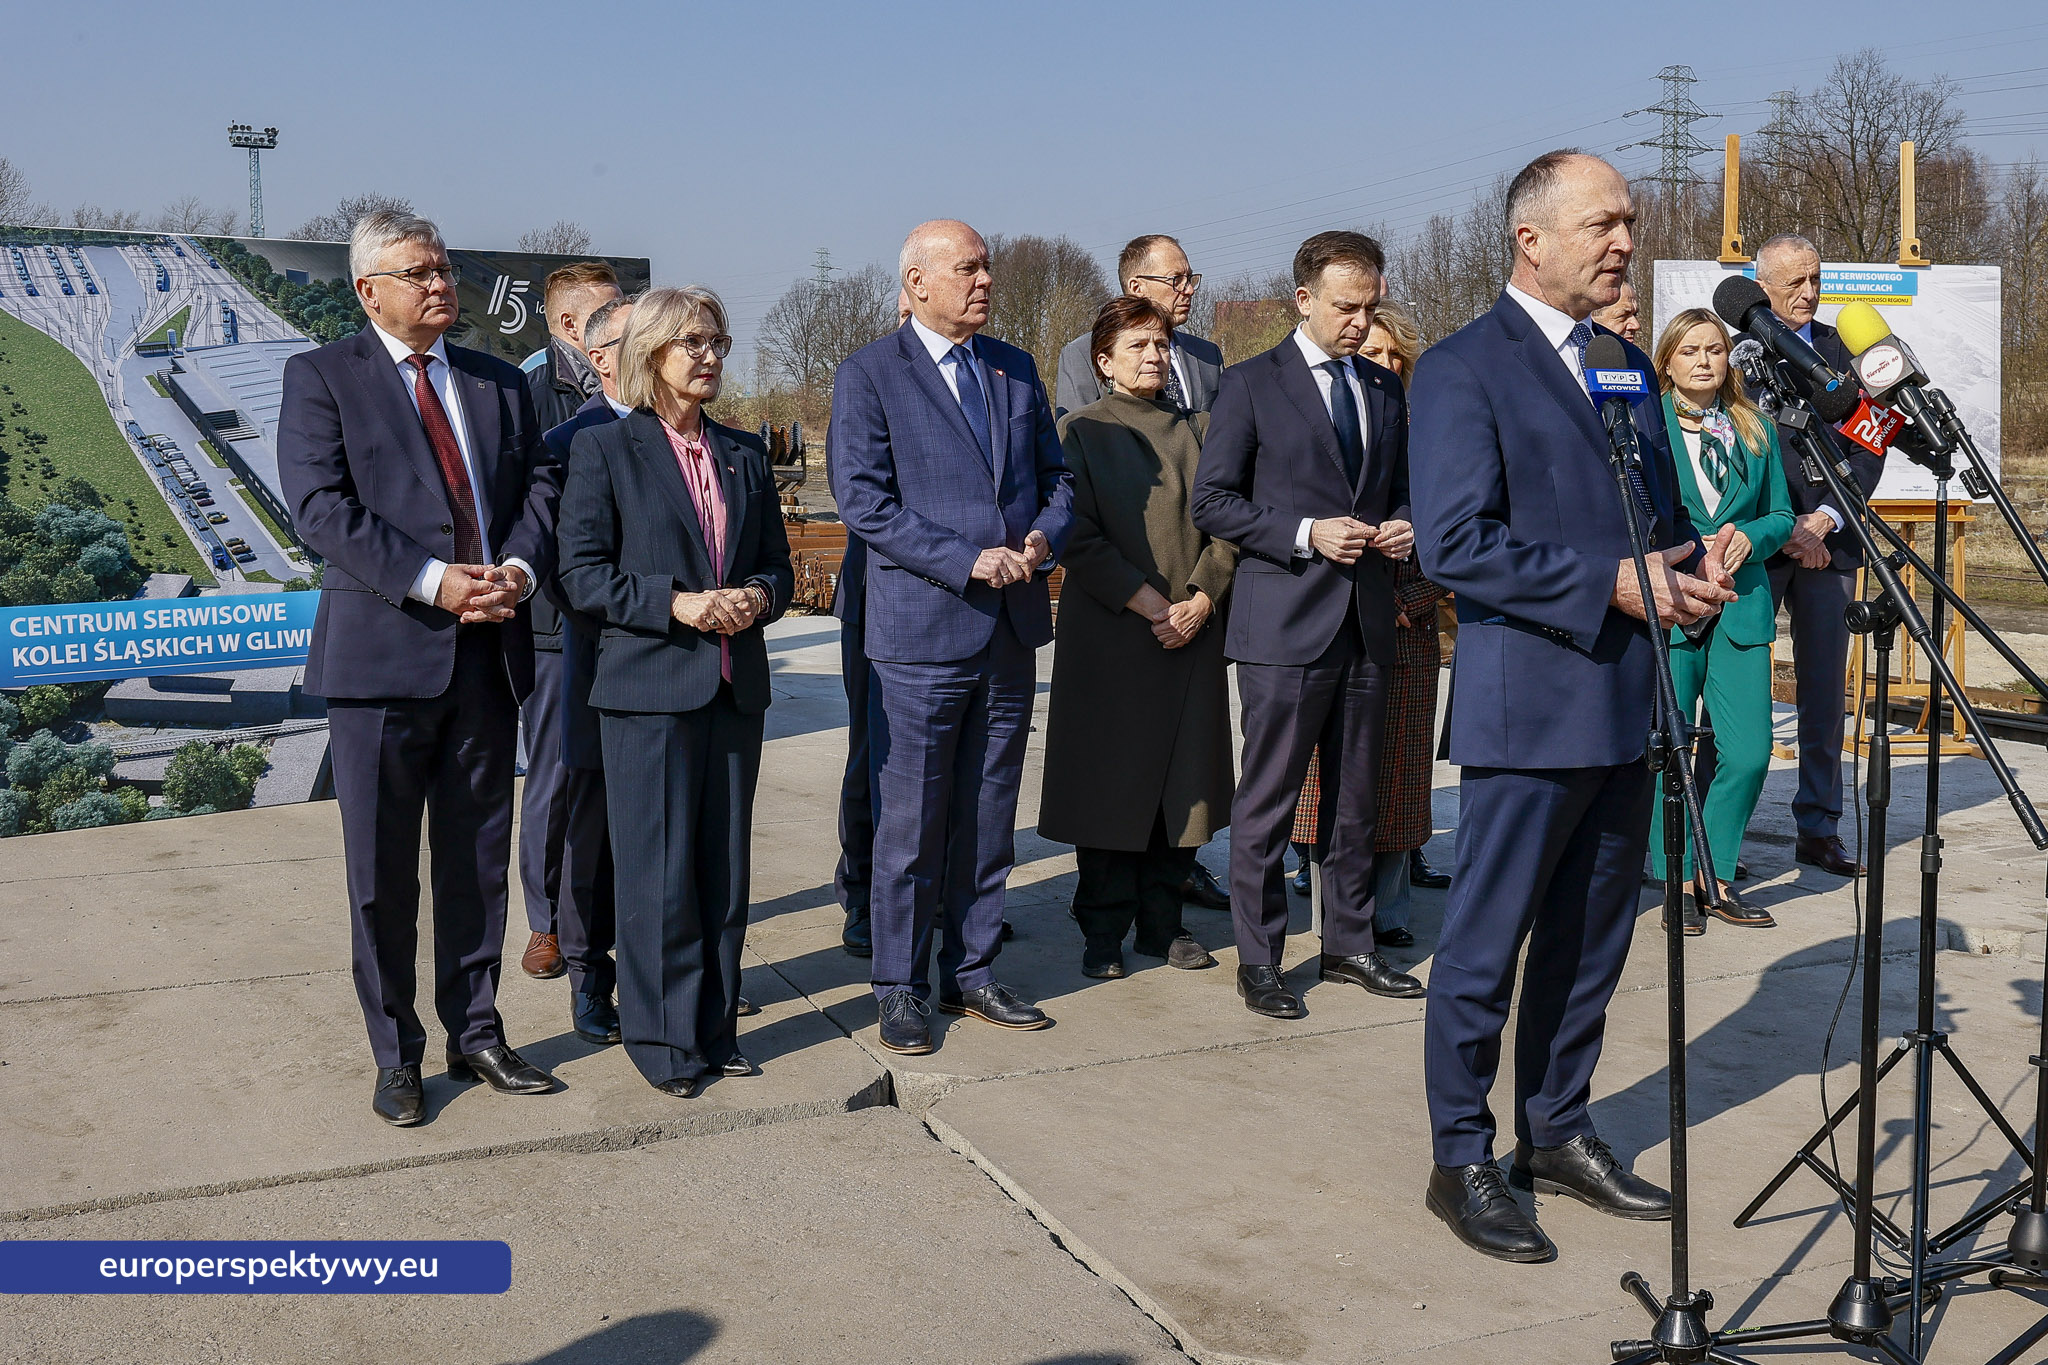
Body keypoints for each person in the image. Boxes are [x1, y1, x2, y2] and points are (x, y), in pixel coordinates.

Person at [1409, 151, 1735, 1261]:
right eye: (1602, 223)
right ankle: (1461, 1157)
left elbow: (1637, 523)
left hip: (1625, 702)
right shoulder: (1463, 368)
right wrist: (1607, 584)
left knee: (1592, 940)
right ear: (1528, 238)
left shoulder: (1621, 366)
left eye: (1628, 224)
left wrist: (1689, 566)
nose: (1623, 243)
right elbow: (1455, 544)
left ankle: (1554, 1128)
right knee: (1485, 946)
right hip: (1528, 705)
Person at [277, 210, 564, 1127]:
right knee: (382, 873)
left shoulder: (495, 384)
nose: (441, 285)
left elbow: (541, 492)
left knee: (478, 863)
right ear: (369, 290)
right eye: (419, 272)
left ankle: (476, 1031)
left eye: (444, 269)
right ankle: (396, 1053)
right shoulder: (322, 377)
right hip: (382, 666)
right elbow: (319, 507)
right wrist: (436, 582)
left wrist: (517, 570)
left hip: (486, 657)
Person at [828, 219, 1075, 1057]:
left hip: (1007, 631)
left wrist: (1044, 537)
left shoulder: (1012, 367)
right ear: (916, 282)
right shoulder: (869, 375)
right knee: (911, 823)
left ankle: (971, 968)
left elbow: (1059, 477)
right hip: (923, 633)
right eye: (966, 268)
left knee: (987, 812)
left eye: (986, 267)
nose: (984, 280)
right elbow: (865, 502)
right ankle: (898, 983)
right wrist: (970, 559)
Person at [557, 286, 793, 1097]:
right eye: (692, 341)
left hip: (734, 689)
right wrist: (677, 601)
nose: (709, 356)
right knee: (659, 879)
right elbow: (580, 576)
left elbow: (776, 568)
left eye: (718, 342)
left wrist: (756, 597)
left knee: (724, 878)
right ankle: (661, 1043)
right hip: (648, 691)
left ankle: (715, 1028)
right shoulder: (606, 452)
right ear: (650, 352)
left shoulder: (744, 454)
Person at [1191, 230, 1425, 1020]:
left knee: (1356, 799)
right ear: (1303, 300)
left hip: (1367, 622)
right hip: (1284, 626)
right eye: (1345, 307)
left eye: (1369, 306)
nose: (1360, 321)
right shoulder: (1250, 385)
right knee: (1269, 802)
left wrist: (1404, 524)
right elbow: (1213, 501)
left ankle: (1348, 942)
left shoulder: (1385, 391)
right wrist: (1306, 533)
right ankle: (1260, 957)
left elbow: (1403, 489)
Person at [1040, 296, 1236, 979]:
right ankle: (1102, 930)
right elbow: (1076, 535)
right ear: (1104, 361)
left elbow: (1228, 526)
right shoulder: (1080, 433)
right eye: (1136, 346)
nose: (1153, 356)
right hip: (1113, 636)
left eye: (1160, 345)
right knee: (1110, 789)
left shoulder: (1204, 430)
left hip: (1191, 635)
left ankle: (1164, 924)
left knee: (1181, 790)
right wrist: (1151, 600)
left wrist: (1203, 597)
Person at [1287, 302, 1454, 926]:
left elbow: (1452, 527)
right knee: (1321, 771)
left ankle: (1388, 909)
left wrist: (1412, 598)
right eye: (1371, 353)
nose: (1383, 364)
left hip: (1407, 628)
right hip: (1329, 613)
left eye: (1394, 357)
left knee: (1397, 776)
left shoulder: (1433, 430)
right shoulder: (1325, 422)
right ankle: (1319, 880)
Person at [1647, 308, 1793, 930]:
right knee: (1669, 755)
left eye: (1715, 349)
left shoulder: (1755, 427)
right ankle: (1677, 879)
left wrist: (1750, 539)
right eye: (1690, 350)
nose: (1704, 360)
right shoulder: (1644, 424)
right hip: (1674, 603)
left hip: (1742, 605)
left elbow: (1783, 515)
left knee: (1750, 751)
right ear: (1668, 360)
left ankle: (1718, 871)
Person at [1741, 233, 1877, 879]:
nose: (1810, 293)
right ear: (1760, 285)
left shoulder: (1845, 351)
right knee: (1736, 690)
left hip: (1831, 541)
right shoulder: (1731, 356)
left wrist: (1822, 519)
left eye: (1815, 278)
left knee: (1824, 697)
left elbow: (1869, 446)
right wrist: (1781, 527)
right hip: (1756, 546)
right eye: (1794, 282)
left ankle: (1818, 826)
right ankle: (1721, 825)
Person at [518, 261, 625, 983]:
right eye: (613, 310)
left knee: (620, 779)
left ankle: (608, 911)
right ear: (570, 327)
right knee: (556, 775)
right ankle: (547, 920)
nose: (629, 318)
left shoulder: (639, 387)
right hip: (557, 623)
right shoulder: (529, 394)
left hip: (629, 618)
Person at [832, 289, 915, 960]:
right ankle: (862, 894)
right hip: (880, 600)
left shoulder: (985, 379)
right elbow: (861, 495)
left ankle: (936, 896)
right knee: (876, 756)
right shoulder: (869, 376)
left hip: (959, 606)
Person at [1055, 234, 1223, 420]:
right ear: (1137, 288)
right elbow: (1076, 439)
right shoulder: (1082, 354)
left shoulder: (1207, 355)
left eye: (1189, 279)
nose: (1189, 290)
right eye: (1176, 279)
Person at [1589, 278, 1641, 345]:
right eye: (1623, 316)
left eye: (1635, 314)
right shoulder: (1576, 353)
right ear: (1592, 317)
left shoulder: (1636, 355)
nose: (1636, 325)